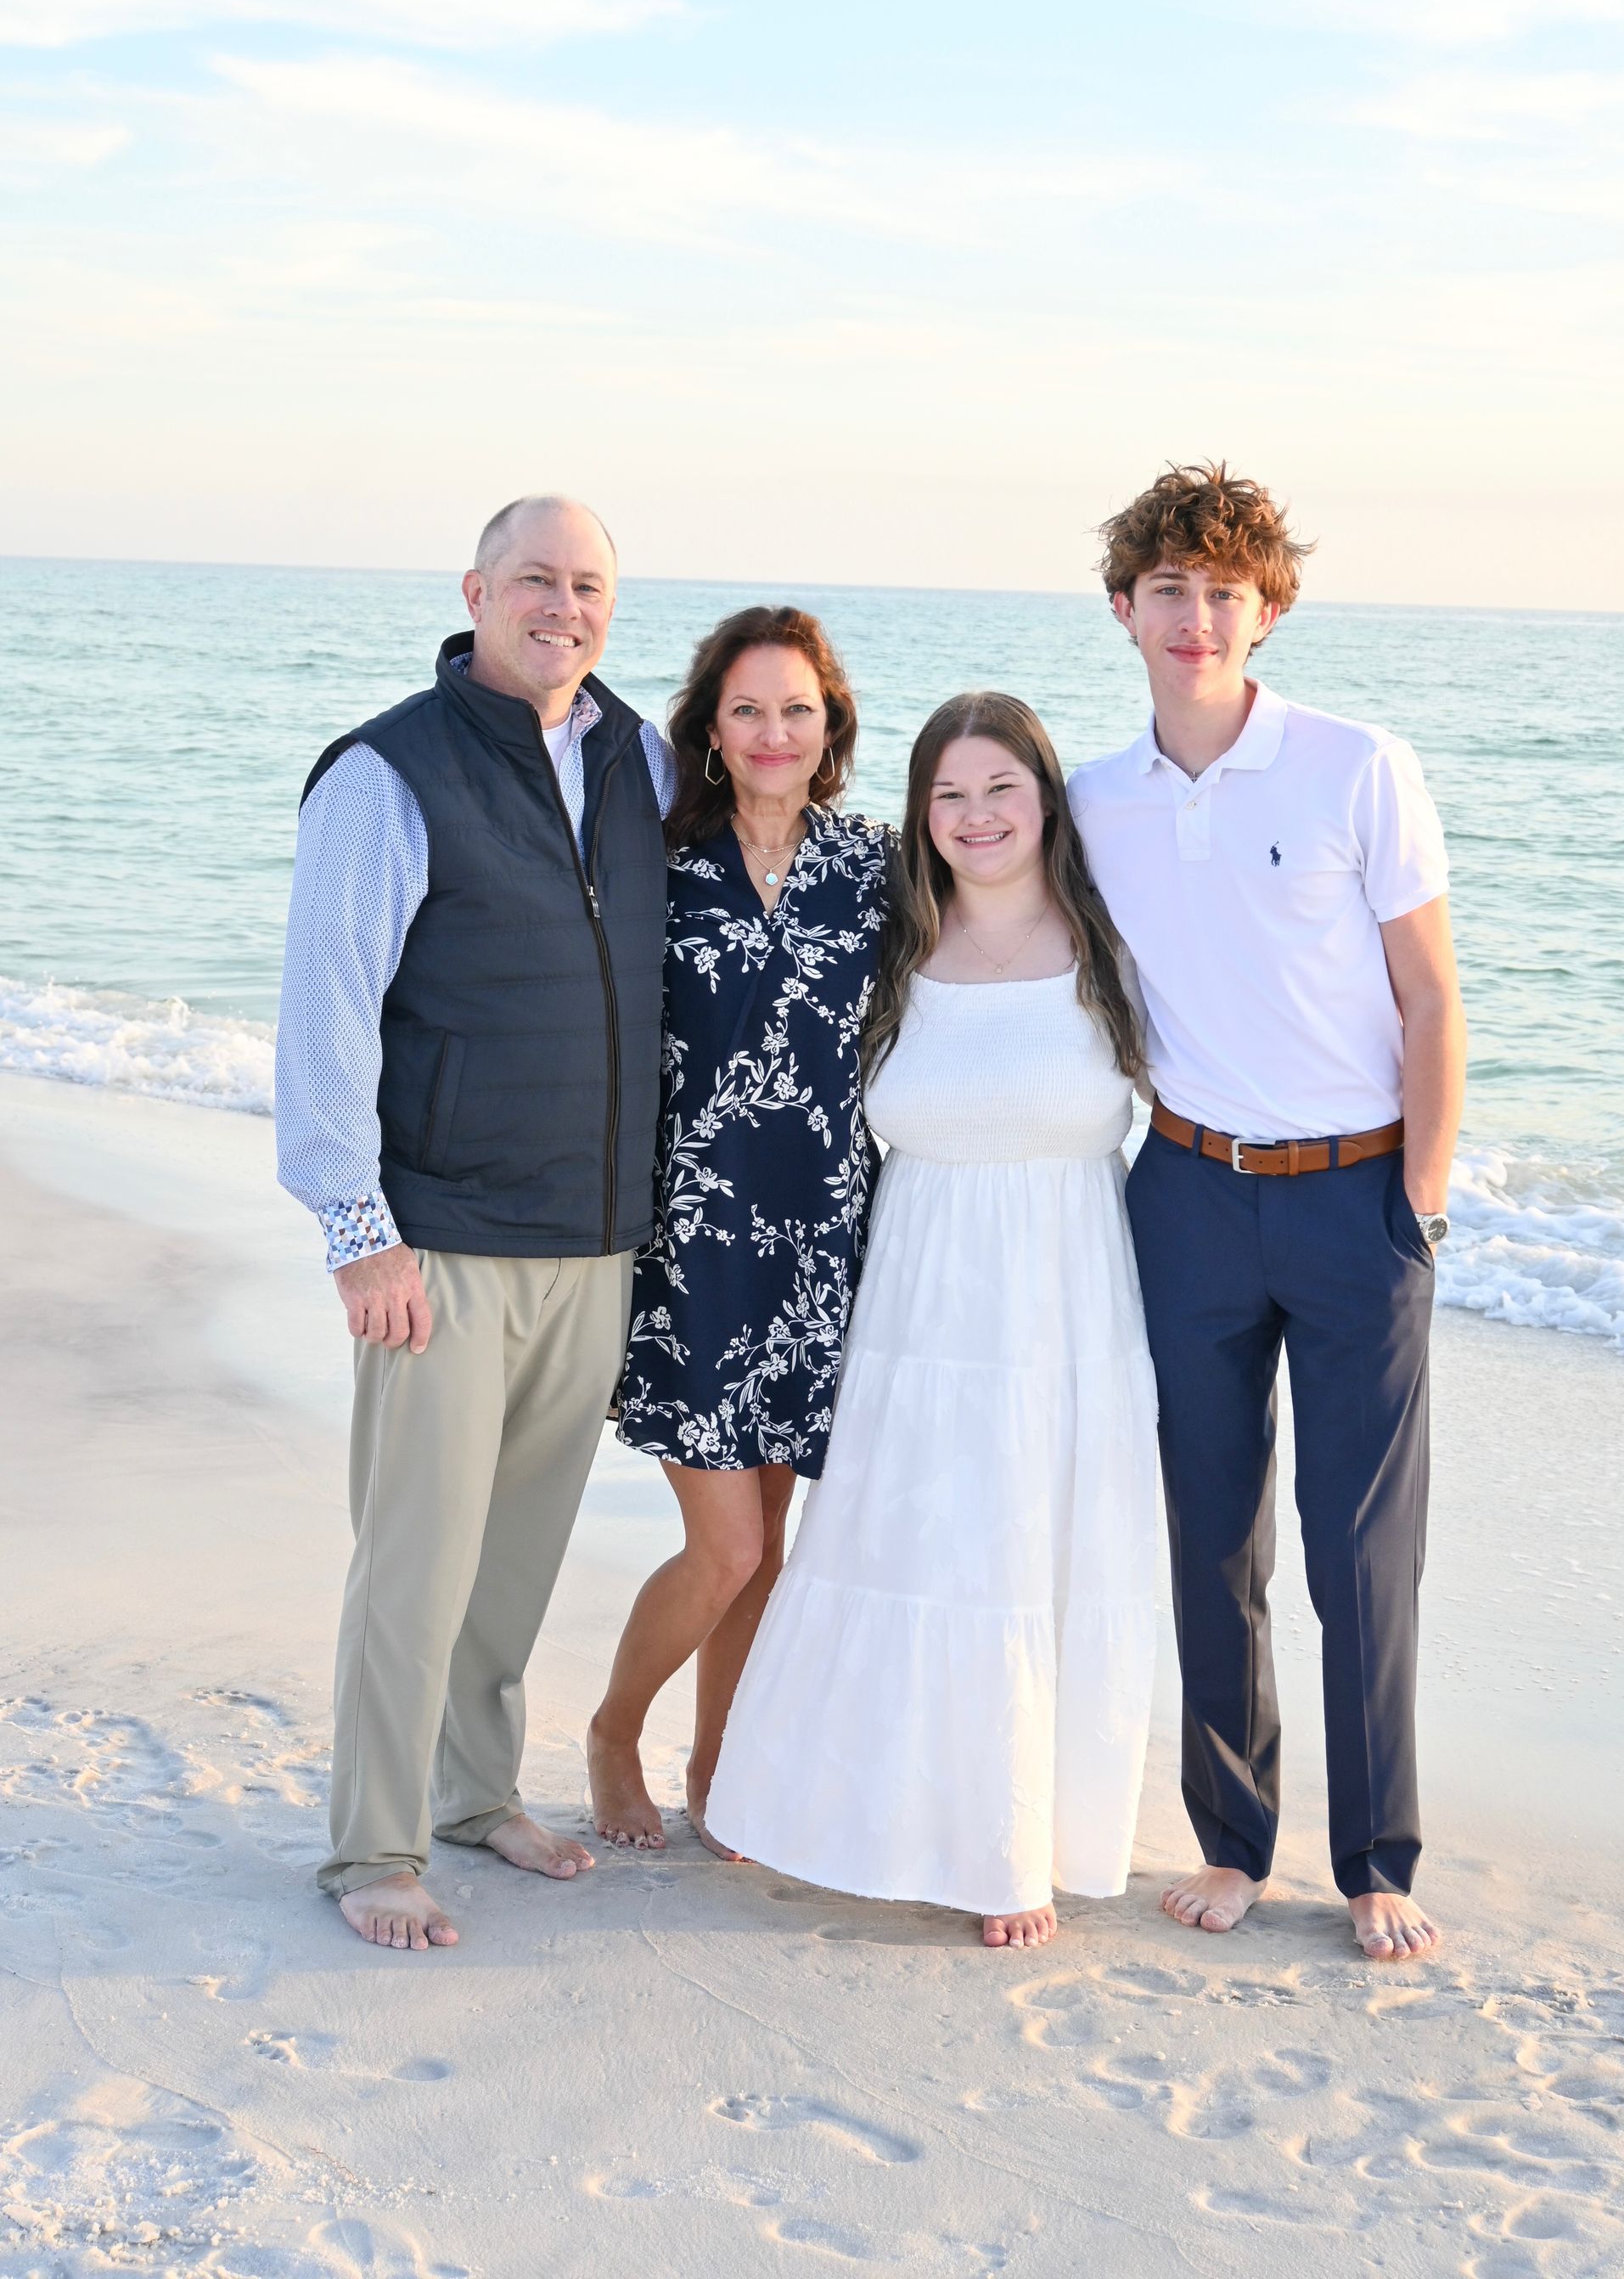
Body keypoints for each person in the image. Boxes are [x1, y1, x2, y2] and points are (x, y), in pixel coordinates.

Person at [1068, 462, 1465, 1962]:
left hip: (1356, 1197)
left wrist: (1416, 1207)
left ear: (1269, 610)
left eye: (1224, 590)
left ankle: (1374, 1860)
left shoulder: (1358, 765)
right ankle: (1233, 1844)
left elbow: (1433, 1001)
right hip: (1181, 1192)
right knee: (1211, 1538)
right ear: (1125, 610)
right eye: (1167, 589)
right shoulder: (1094, 800)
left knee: (1362, 1552)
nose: (1195, 616)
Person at [274, 494, 672, 1951]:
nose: (560, 607)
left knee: (515, 1557)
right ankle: (376, 1848)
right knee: (416, 1558)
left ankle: (472, 1794)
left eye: (586, 587)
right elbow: (325, 1008)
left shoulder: (643, 755)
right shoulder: (389, 772)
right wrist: (354, 1225)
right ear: (475, 590)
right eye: (532, 580)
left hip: (593, 1235)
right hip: (438, 1242)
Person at [705, 693, 1160, 1949]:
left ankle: (1009, 1849)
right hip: (915, 1304)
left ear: (1047, 799)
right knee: (901, 1554)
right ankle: (799, 1798)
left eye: (1000, 789)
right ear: (921, 816)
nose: (975, 817)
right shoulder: (891, 946)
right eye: (948, 795)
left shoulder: (1112, 946)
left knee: (1020, 1564)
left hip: (1061, 1303)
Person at [587, 607, 890, 1854]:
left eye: (798, 710)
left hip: (824, 1244)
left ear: (831, 728)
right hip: (693, 1246)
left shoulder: (875, 866)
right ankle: (615, 1731)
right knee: (726, 1546)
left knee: (772, 1551)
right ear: (711, 729)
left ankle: (722, 1767)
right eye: (750, 709)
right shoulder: (661, 862)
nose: (775, 732)